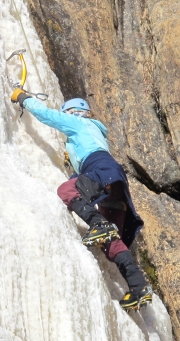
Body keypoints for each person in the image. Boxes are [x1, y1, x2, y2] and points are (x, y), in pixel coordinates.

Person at [11, 90, 153, 311]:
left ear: (74, 113)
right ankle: (138, 287)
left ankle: (98, 223)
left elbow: (47, 115)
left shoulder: (77, 123)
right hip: (113, 179)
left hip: (100, 168)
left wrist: (23, 98)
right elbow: (82, 180)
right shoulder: (95, 132)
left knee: (66, 190)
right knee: (111, 242)